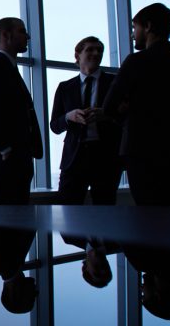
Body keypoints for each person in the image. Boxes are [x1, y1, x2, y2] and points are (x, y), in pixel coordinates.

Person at [102, 3, 170, 206]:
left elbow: (109, 107)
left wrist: (127, 110)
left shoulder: (136, 61)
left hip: (139, 146)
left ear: (148, 26)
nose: (133, 34)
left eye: (135, 28)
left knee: (147, 215)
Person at [0, 17, 44, 204]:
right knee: (5, 221)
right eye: (22, 31)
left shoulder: (6, 68)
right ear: (6, 35)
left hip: (15, 157)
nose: (28, 36)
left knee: (10, 220)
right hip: (7, 159)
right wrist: (4, 148)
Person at [49, 36, 121, 205]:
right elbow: (54, 125)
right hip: (74, 157)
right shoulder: (65, 87)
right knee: (68, 211)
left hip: (106, 156)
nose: (96, 53)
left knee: (105, 211)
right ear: (77, 55)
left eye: (99, 50)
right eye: (90, 49)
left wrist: (107, 114)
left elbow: (128, 116)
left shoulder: (114, 83)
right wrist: (69, 116)